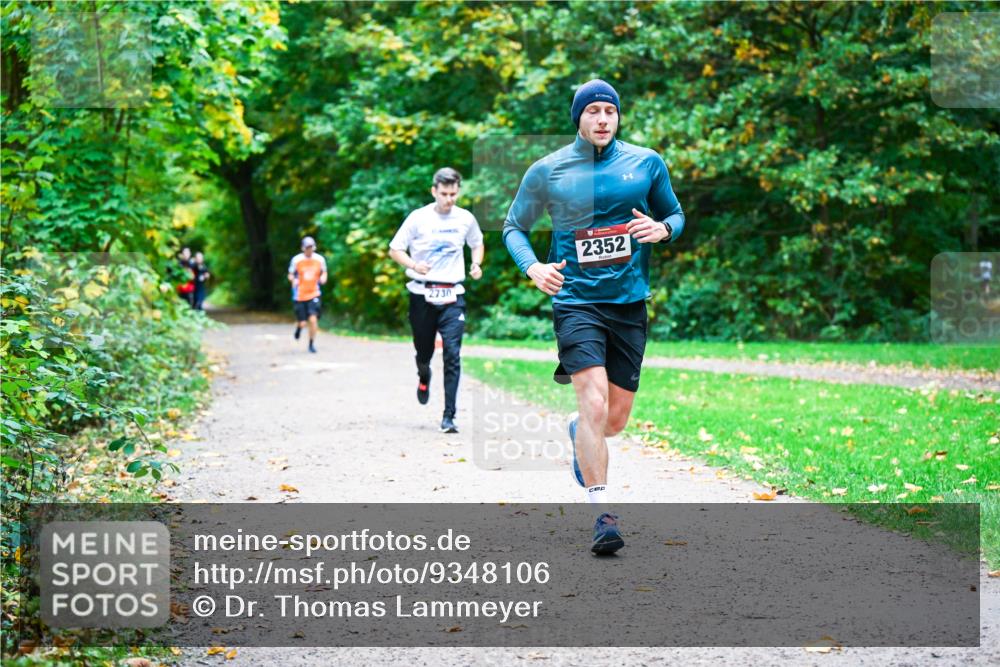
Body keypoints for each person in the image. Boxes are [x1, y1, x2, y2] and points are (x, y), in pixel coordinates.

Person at [502, 79, 684, 554]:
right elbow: (514, 227)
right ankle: (603, 514)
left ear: (618, 116)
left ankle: (579, 434)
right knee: (594, 404)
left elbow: (676, 215)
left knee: (615, 420)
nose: (603, 119)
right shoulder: (549, 170)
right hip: (576, 301)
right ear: (578, 118)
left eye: (610, 111)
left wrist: (662, 229)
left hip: (627, 304)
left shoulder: (645, 163)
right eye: (593, 111)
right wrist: (533, 266)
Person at [389, 167, 484, 434]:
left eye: (453, 194)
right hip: (421, 293)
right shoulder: (418, 218)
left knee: (453, 354)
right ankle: (423, 374)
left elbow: (477, 243)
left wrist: (476, 263)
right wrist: (413, 264)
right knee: (424, 352)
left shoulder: (465, 218)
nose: (449, 199)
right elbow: (395, 249)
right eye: (444, 194)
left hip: (453, 294)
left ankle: (449, 416)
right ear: (434, 191)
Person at [288, 236, 328, 353]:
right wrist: (293, 280)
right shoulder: (296, 260)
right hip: (300, 295)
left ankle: (311, 344)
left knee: (313, 319)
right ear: (303, 248)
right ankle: (299, 328)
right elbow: (290, 274)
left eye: (311, 247)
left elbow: (324, 272)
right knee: (303, 322)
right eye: (307, 248)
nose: (309, 250)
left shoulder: (319, 260)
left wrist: (323, 278)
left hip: (314, 293)